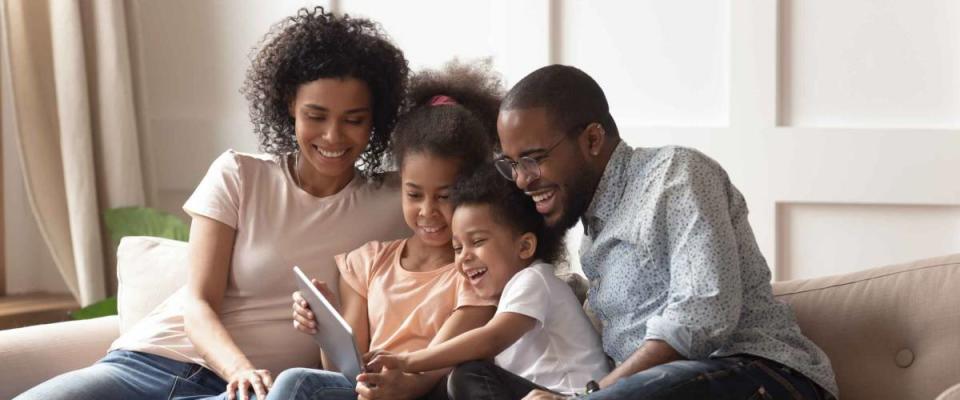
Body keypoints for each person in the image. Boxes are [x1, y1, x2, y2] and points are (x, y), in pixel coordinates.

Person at [15, 7, 410, 400]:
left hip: (259, 392)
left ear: (375, 120)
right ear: (290, 104)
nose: (332, 136)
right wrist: (238, 368)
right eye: (316, 115)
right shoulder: (239, 174)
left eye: (353, 119)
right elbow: (198, 301)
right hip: (146, 364)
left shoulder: (399, 203)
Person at [489, 65, 839, 400]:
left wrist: (590, 395)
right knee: (471, 377)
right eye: (512, 165)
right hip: (651, 388)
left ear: (592, 139)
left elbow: (703, 314)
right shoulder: (594, 233)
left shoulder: (675, 175)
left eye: (533, 159)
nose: (522, 179)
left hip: (757, 374)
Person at [274, 61, 504, 400]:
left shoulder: (475, 273)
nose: (427, 212)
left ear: (471, 190)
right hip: (365, 392)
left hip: (423, 392)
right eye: (414, 194)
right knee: (300, 384)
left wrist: (404, 385)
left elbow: (435, 368)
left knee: (296, 384)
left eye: (445, 196)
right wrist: (326, 326)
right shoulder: (367, 263)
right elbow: (342, 375)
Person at [367, 164, 610, 399]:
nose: (464, 257)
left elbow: (491, 339)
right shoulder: (508, 297)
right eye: (457, 247)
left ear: (524, 246)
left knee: (469, 374)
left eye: (478, 242)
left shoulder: (534, 280)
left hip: (570, 395)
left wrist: (407, 360)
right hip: (536, 393)